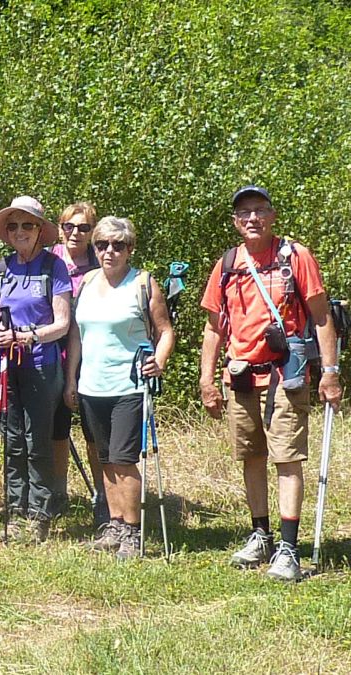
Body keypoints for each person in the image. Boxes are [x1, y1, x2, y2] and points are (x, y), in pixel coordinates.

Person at [199, 185, 342, 581]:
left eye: (260, 210)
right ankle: (260, 533)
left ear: (272, 215)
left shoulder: (295, 257)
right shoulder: (227, 264)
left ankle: (288, 547)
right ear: (234, 221)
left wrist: (329, 373)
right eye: (244, 213)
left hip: (286, 374)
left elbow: (321, 317)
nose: (252, 219)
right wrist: (206, 380)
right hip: (241, 374)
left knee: (286, 457)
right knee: (250, 456)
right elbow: (214, 328)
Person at [64, 216, 175, 560]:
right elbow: (77, 335)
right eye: (102, 244)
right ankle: (114, 524)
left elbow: (165, 330)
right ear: (94, 248)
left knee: (124, 460)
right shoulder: (86, 282)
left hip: (129, 385)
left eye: (118, 245)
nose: (109, 251)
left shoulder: (143, 283)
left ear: (130, 249)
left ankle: (132, 531)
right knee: (104, 458)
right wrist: (71, 380)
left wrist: (160, 360)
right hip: (91, 386)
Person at [0, 196, 72, 543]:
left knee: (37, 440)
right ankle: (14, 508)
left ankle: (40, 512)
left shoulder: (54, 268)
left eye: (28, 225)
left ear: (39, 231)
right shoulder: (3, 268)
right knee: (11, 437)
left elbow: (62, 323)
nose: (20, 231)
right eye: (14, 225)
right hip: (3, 365)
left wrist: (28, 336)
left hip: (39, 365)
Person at [49, 202, 106, 525]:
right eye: (69, 226)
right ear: (60, 228)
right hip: (53, 356)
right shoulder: (49, 260)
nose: (76, 233)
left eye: (84, 228)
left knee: (93, 432)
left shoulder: (102, 261)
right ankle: (58, 493)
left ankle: (102, 495)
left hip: (92, 358)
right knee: (56, 430)